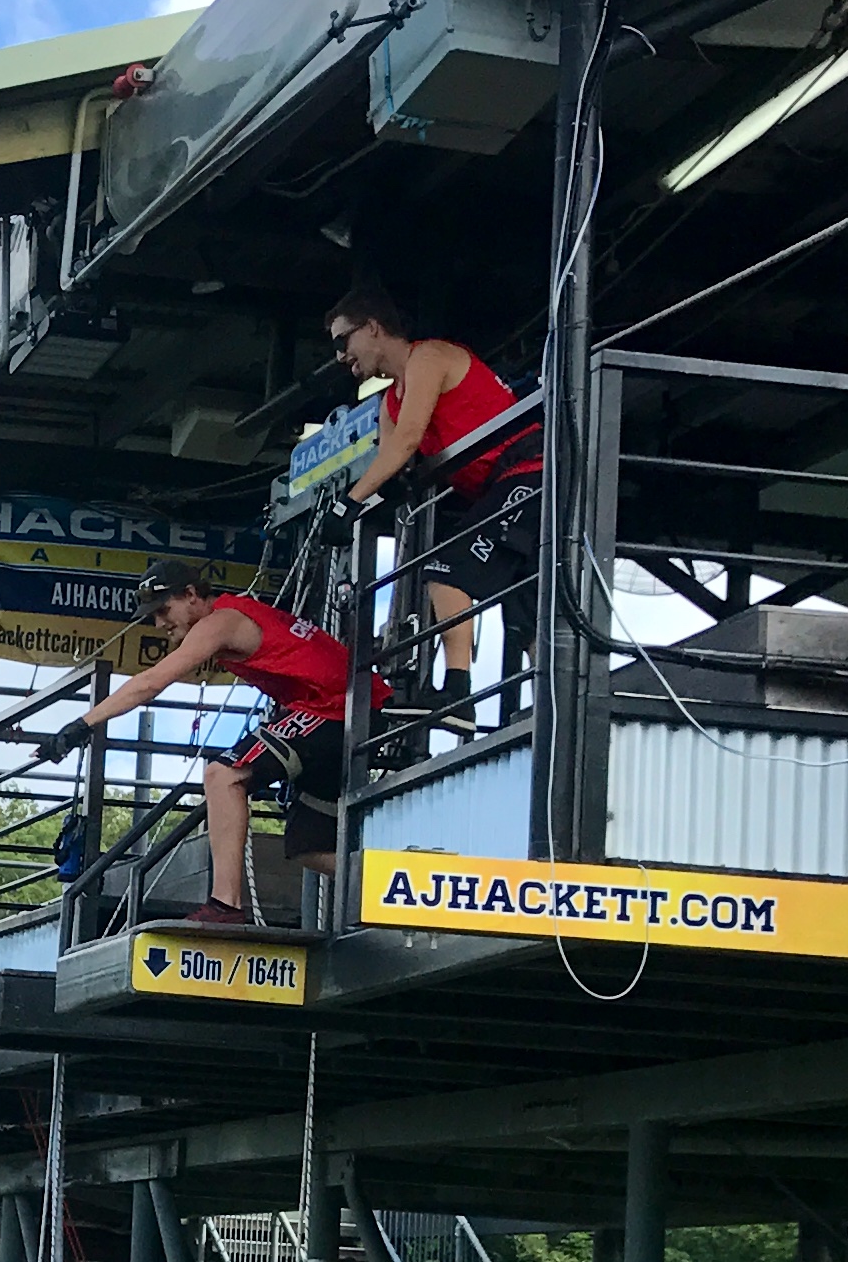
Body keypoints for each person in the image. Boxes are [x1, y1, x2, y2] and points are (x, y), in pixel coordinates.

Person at [69, 572, 361, 928]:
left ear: (191, 594)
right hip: (333, 705)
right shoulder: (236, 612)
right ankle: (385, 880)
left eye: (164, 610)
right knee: (307, 846)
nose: (159, 623)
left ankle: (226, 904)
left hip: (338, 706)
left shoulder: (220, 621)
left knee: (223, 776)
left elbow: (150, 682)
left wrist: (82, 725)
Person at [327, 279, 540, 712]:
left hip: (530, 471)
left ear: (372, 328)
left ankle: (458, 693)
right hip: (502, 486)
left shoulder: (428, 357)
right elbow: (392, 462)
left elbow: (407, 441)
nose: (340, 356)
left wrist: (346, 505)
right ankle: (546, 705)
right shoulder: (389, 401)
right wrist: (374, 494)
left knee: (447, 568)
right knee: (525, 603)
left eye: (342, 341)